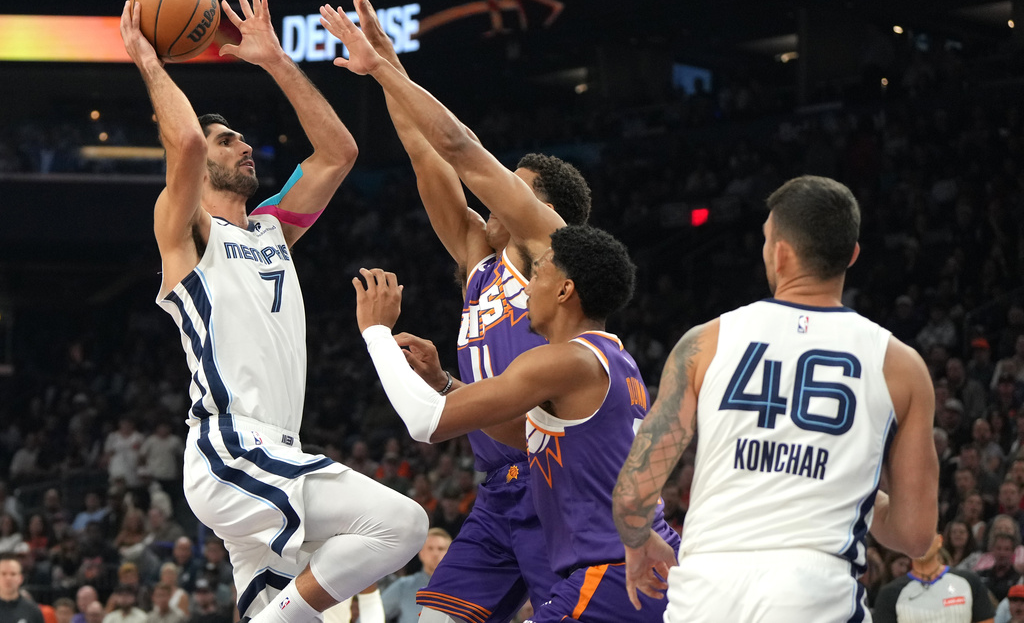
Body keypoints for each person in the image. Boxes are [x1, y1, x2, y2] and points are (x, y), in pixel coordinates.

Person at [117, 0, 427, 623]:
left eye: (240, 139)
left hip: (271, 452)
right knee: (403, 526)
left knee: (290, 610)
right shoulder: (188, 235)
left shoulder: (271, 228)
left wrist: (275, 60)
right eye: (229, 141)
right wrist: (150, 61)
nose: (243, 146)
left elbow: (339, 153)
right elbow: (188, 145)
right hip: (233, 449)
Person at [324, 0, 591, 623]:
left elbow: (461, 148)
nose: (495, 190)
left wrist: (388, 72)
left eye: (514, 183)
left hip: (558, 492)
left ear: (540, 204)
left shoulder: (548, 246)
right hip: (497, 498)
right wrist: (385, 62)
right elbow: (425, 152)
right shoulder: (480, 257)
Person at [611, 175, 939, 620]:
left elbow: (633, 496)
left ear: (780, 252)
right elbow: (916, 535)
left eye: (767, 240)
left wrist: (637, 541)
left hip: (706, 593)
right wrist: (851, 492)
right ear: (853, 256)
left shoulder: (703, 343)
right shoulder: (902, 367)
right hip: (814, 594)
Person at [350, 225, 680, 623]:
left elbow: (424, 422)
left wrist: (376, 333)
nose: (525, 289)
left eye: (538, 274)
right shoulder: (612, 359)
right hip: (633, 561)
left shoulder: (565, 361)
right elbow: (519, 433)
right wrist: (443, 383)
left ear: (564, 291)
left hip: (610, 575)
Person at [872, 534, 994, 623]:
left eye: (926, 536)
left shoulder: (968, 581)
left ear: (939, 540)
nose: (920, 543)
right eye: (914, 538)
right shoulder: (890, 593)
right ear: (905, 545)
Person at [381, 529, 452, 623]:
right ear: (421, 553)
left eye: (441, 549)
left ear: (451, 553)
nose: (435, 554)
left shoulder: (463, 588)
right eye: (430, 548)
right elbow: (370, 615)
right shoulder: (404, 586)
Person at [0, 555, 43, 623]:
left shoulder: (33, 610)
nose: (8, 578)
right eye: (3, 573)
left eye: (13, 574)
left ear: (20, 578)